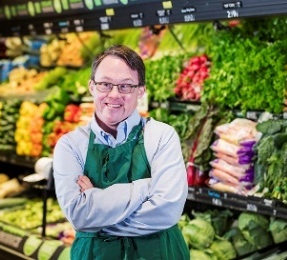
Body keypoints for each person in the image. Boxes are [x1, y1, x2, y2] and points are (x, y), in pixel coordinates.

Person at [53, 45, 189, 260]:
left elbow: (167, 212)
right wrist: (146, 187)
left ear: (140, 90)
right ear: (91, 86)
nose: (114, 94)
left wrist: (98, 212)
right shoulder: (70, 145)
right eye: (105, 84)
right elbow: (80, 216)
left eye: (125, 86)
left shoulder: (162, 136)